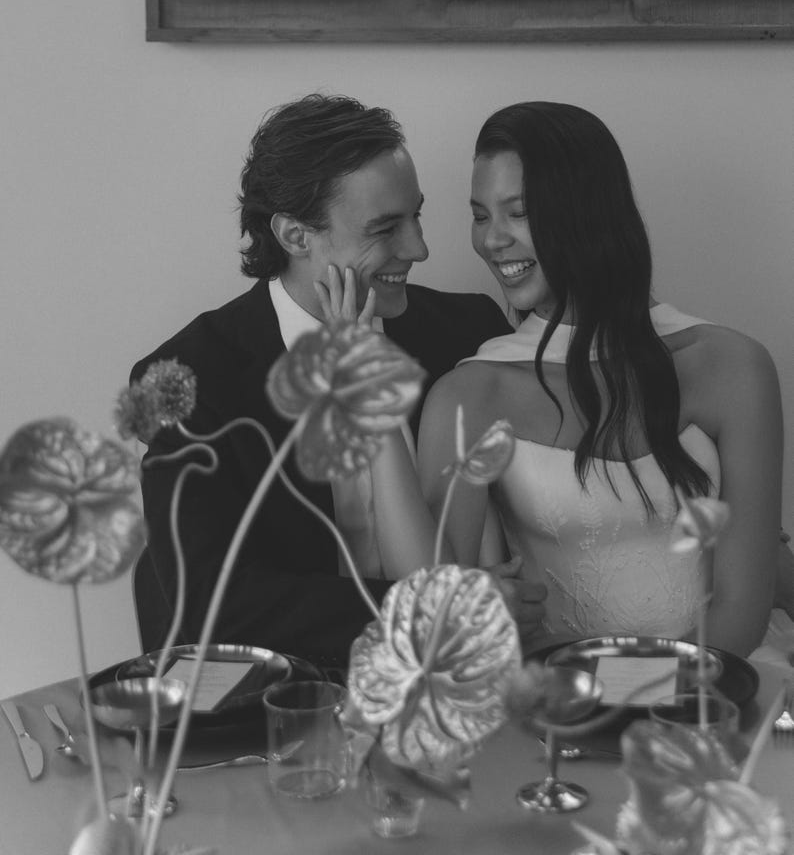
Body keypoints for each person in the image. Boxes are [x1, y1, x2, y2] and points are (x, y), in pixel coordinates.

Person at [132, 94, 545, 670]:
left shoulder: (468, 332)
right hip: (283, 708)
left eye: (417, 216)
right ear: (296, 237)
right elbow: (205, 602)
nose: (420, 248)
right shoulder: (187, 379)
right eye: (385, 228)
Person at [417, 101, 783, 658]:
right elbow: (445, 612)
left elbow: (743, 608)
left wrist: (656, 705)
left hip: (717, 693)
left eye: (518, 212)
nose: (492, 240)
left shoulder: (732, 366)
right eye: (481, 214)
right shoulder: (470, 396)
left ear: (587, 212)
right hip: (555, 714)